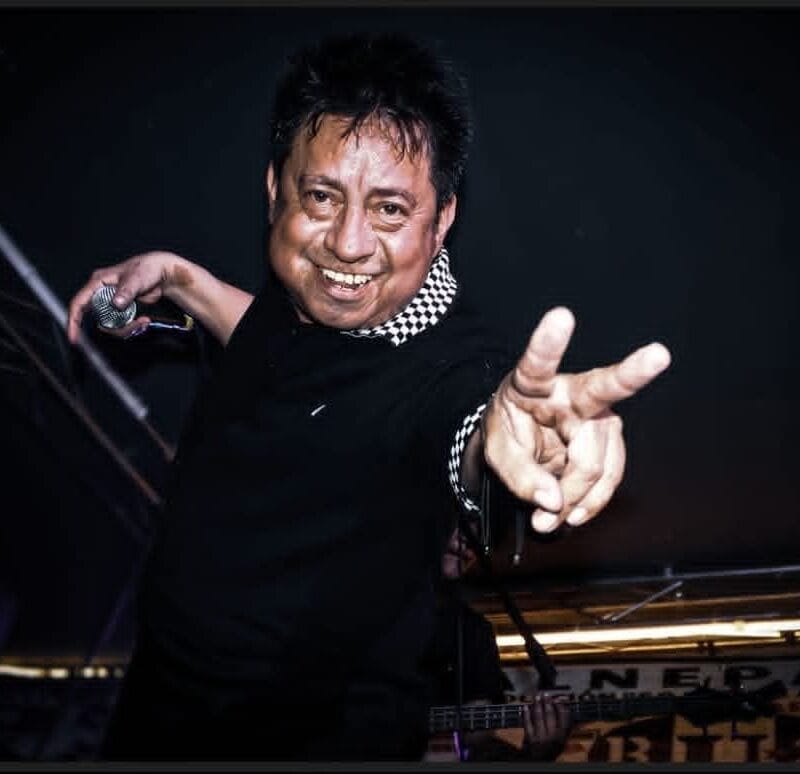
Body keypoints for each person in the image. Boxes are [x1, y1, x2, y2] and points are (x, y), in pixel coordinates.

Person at [67, 33, 671, 760]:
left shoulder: (452, 368)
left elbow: (468, 432)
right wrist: (179, 278)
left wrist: (511, 441)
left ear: (442, 221)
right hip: (157, 705)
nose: (348, 244)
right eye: (321, 197)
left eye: (389, 210)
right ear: (274, 189)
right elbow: (270, 338)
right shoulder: (306, 296)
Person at [422, 527, 572, 762]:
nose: (467, 540)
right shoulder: (370, 607)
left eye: (481, 534)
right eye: (456, 524)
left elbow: (477, 736)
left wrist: (537, 755)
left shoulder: (473, 630)